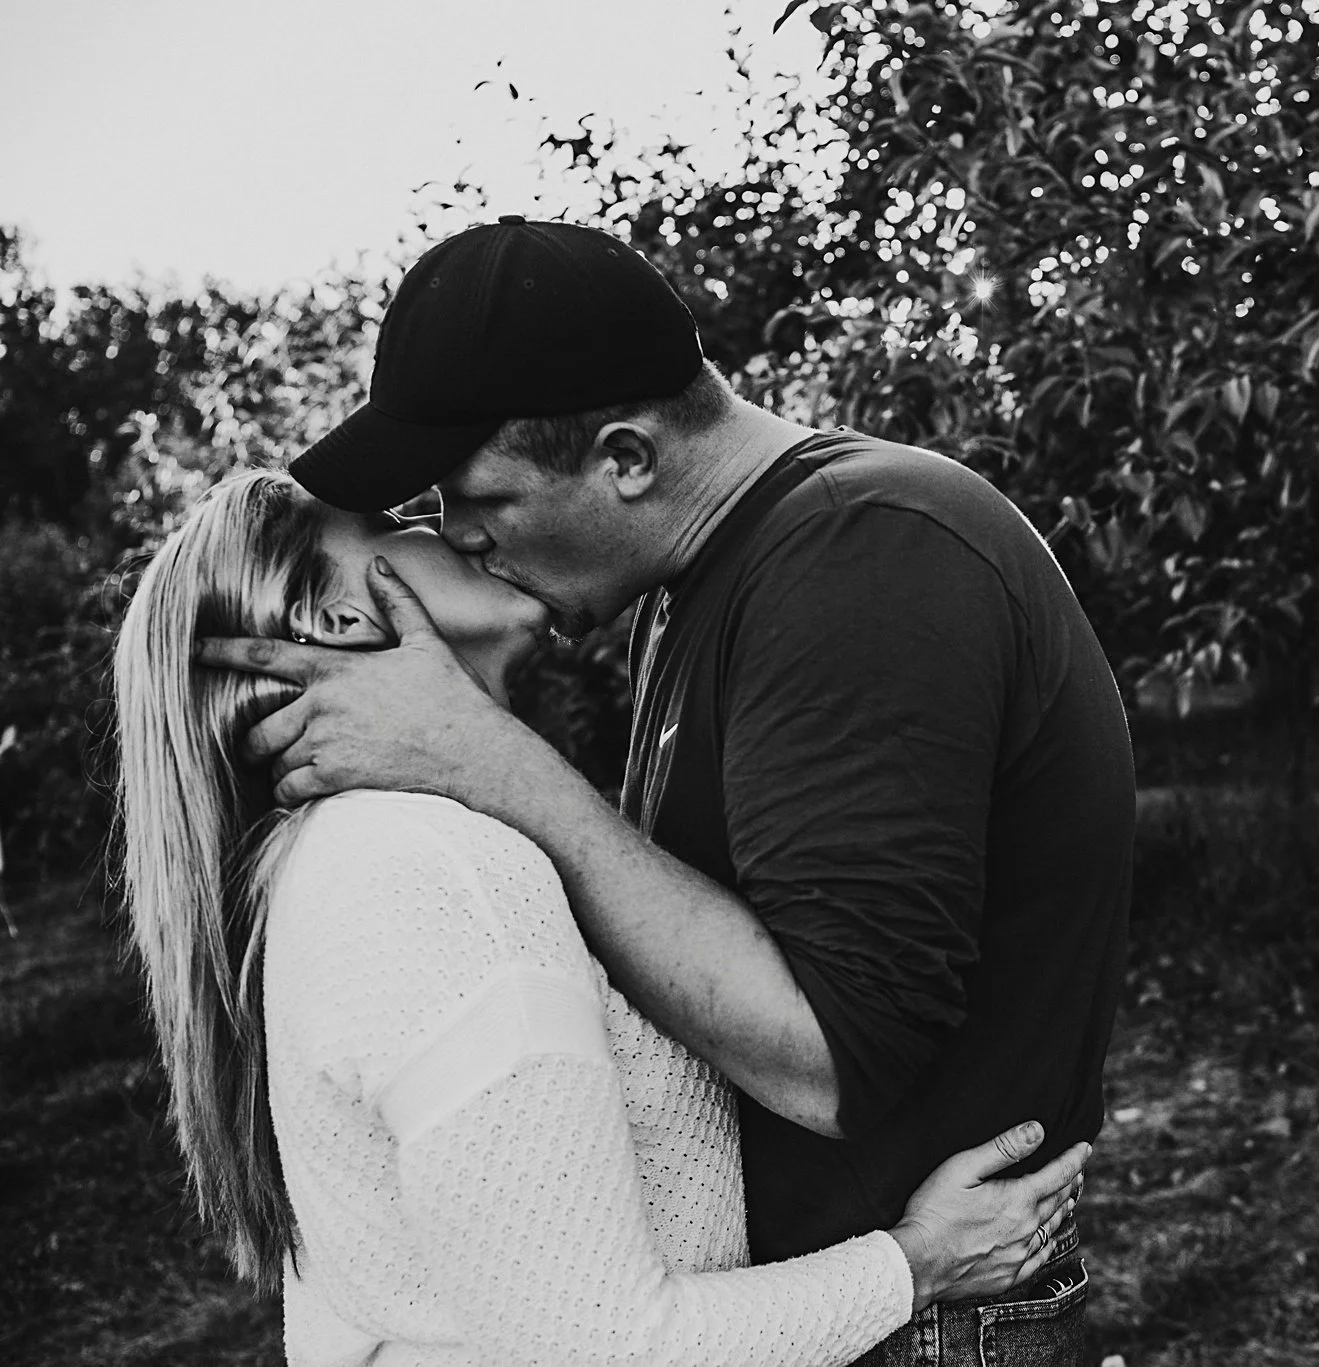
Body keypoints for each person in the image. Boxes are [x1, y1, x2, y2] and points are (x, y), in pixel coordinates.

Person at [201, 216, 1136, 1365]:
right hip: (839, 1306)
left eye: (474, 495)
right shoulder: (705, 587)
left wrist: (491, 763)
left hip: (929, 1322)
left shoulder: (865, 553)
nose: (457, 534)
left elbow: (826, 1056)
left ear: (626, 458)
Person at [114, 467, 1090, 1366]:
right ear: (328, 615)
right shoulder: (425, 867)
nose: (446, 523)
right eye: (392, 521)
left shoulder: (361, 850)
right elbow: (602, 1344)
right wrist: (919, 1263)